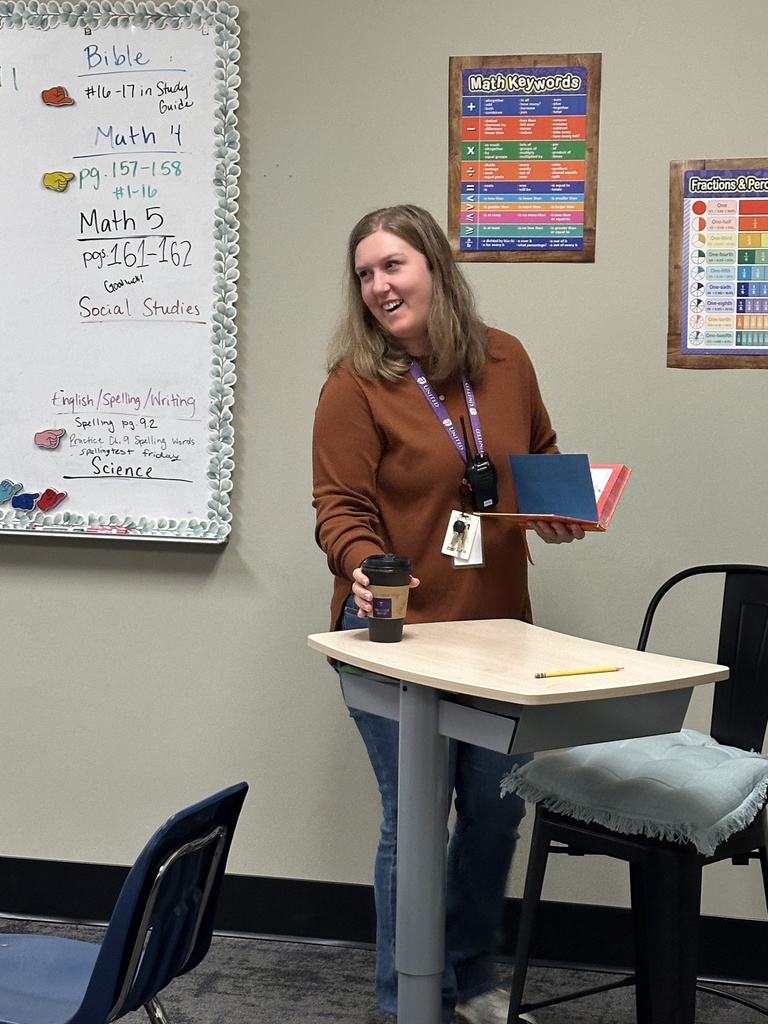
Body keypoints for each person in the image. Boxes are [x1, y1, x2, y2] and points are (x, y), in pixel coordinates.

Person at [312, 204, 584, 1024]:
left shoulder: (507, 358)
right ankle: (407, 1002)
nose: (378, 287)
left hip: (497, 633)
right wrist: (361, 568)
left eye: (392, 265)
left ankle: (469, 983)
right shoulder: (353, 384)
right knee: (418, 822)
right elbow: (338, 508)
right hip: (395, 638)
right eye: (365, 274)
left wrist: (559, 510)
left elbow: (533, 460)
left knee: (497, 815)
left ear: (435, 265)